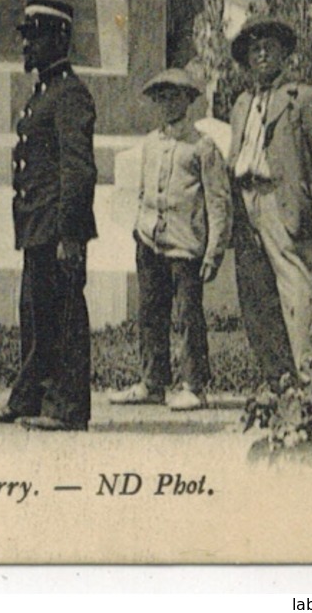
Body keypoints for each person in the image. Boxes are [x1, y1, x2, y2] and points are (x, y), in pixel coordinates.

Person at [0, 0, 97, 431]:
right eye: (25, 35)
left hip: (56, 226)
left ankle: (67, 408)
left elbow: (78, 169)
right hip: (36, 224)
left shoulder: (70, 95)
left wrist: (71, 234)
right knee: (35, 313)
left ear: (59, 40)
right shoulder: (45, 92)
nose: (26, 44)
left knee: (63, 315)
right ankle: (29, 398)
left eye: (35, 36)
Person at [109, 68, 232, 412]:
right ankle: (153, 381)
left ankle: (194, 384)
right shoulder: (150, 143)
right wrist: (140, 227)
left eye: (175, 97)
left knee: (188, 314)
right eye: (161, 97)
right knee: (150, 311)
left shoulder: (202, 147)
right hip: (150, 240)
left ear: (189, 101)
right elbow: (145, 191)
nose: (167, 104)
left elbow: (218, 201)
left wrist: (214, 251)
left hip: (186, 244)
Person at [228, 16, 312, 382]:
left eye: (269, 49)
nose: (261, 55)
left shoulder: (301, 98)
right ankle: (277, 384)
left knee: (297, 289)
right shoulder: (241, 103)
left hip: (283, 201)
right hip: (247, 202)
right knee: (256, 294)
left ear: (283, 55)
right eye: (254, 50)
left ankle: (311, 380)